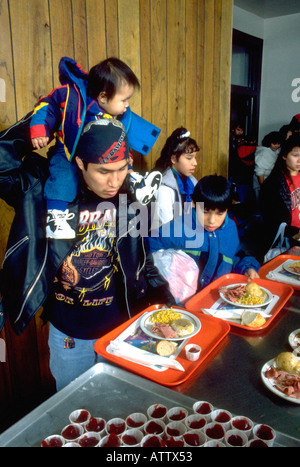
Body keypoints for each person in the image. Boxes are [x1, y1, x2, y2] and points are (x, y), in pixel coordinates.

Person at [0, 119, 174, 390]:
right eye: (104, 171)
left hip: (121, 330)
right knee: (75, 408)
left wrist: (164, 303)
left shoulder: (130, 192)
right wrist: (43, 122)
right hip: (69, 333)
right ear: (80, 162)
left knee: (118, 407)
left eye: (121, 169)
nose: (114, 181)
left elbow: (141, 258)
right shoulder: (44, 185)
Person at [30, 56, 162, 239]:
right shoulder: (72, 96)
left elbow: (119, 138)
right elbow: (47, 104)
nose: (127, 104)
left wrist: (126, 154)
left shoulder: (112, 114)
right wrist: (39, 129)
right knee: (63, 177)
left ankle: (138, 184)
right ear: (103, 97)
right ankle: (56, 217)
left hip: (105, 156)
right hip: (69, 151)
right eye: (124, 100)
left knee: (122, 164)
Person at [146, 175, 260, 291]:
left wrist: (247, 268)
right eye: (205, 212)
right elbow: (146, 246)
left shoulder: (230, 229)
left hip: (218, 299)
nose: (212, 220)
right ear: (194, 203)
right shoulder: (180, 226)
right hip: (182, 302)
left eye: (220, 213)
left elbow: (235, 256)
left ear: (228, 209)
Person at [260, 134, 300, 255]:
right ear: (283, 156)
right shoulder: (273, 184)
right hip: (289, 239)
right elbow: (271, 221)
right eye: (295, 155)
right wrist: (295, 233)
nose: (299, 160)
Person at [153, 127, 199, 227]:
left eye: (195, 157)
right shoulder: (164, 191)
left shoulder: (193, 183)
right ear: (173, 159)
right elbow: (167, 231)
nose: (195, 163)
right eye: (189, 158)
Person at [253, 131, 282, 202]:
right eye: (274, 143)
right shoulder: (263, 153)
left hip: (269, 183)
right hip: (262, 184)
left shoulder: (275, 150)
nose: (277, 146)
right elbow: (260, 172)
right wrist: (264, 188)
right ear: (269, 142)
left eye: (278, 144)